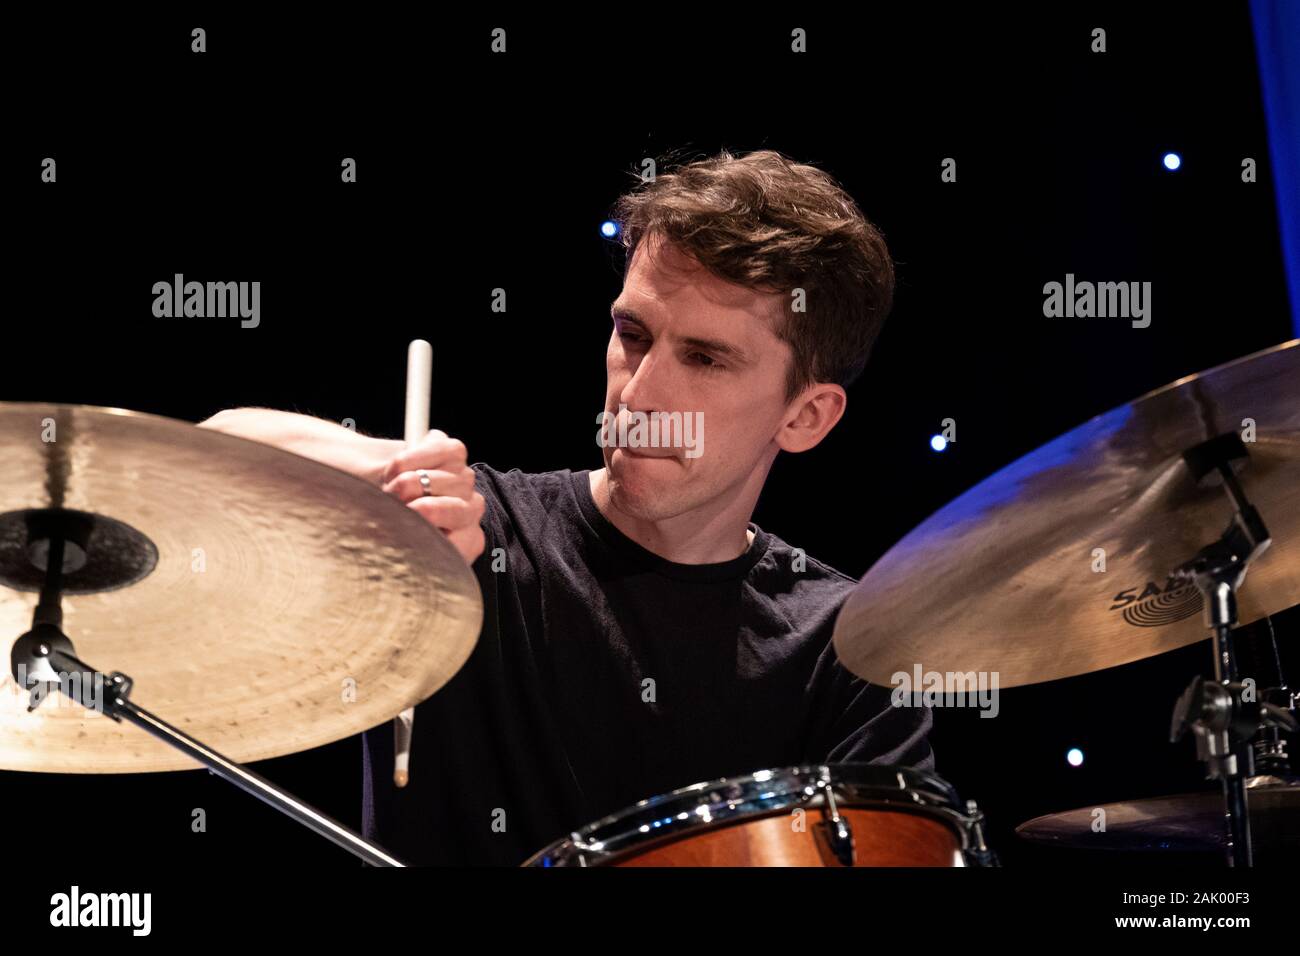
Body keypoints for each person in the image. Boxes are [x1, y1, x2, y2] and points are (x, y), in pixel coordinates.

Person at [200, 149, 933, 865]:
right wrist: (388, 474)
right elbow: (205, 454)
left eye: (705, 359)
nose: (640, 394)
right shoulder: (464, 536)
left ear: (806, 417)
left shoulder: (851, 651)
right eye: (632, 335)